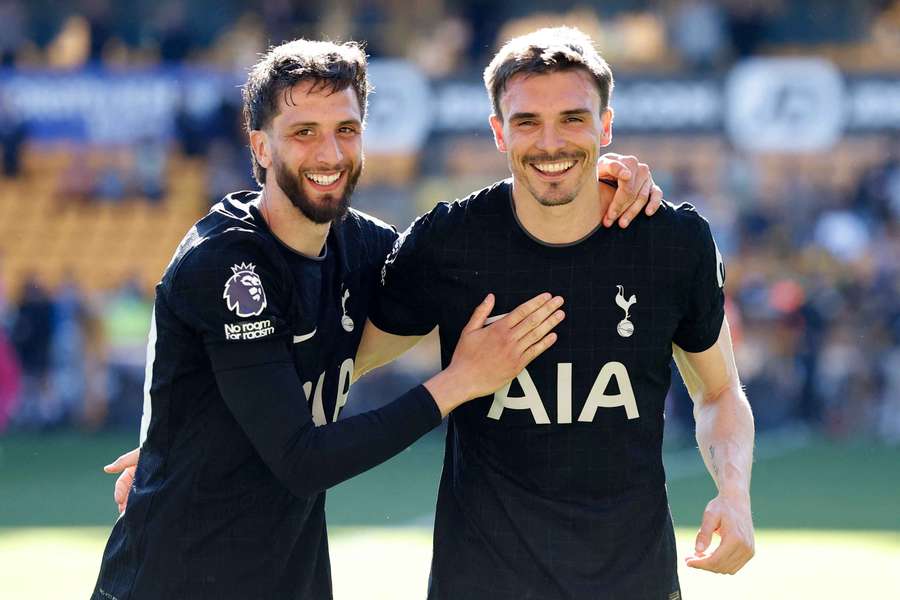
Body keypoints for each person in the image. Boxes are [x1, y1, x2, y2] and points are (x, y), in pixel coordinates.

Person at [94, 38, 661, 600]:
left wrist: (591, 177)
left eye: (346, 130)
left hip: (289, 579)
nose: (329, 154)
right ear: (260, 147)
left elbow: (498, 242)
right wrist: (458, 382)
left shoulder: (366, 247)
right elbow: (300, 459)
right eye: (303, 133)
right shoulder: (228, 265)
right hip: (171, 581)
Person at [363, 27, 755, 599]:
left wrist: (735, 495)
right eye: (526, 122)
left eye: (573, 118)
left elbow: (720, 393)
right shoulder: (450, 243)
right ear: (499, 132)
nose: (551, 143)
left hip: (633, 584)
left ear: (607, 126)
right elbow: (343, 362)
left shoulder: (671, 244)